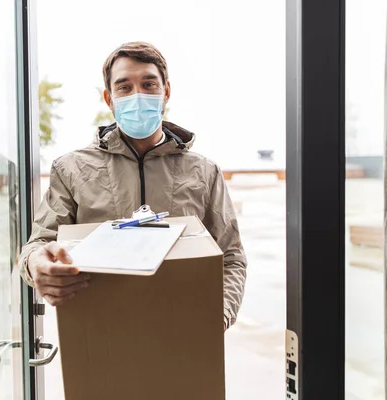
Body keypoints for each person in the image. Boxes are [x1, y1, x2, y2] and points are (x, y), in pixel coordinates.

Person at [18, 41, 247, 330]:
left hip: (185, 333)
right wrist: (37, 264)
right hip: (98, 334)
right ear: (109, 98)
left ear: (166, 92)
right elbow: (37, 245)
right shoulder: (70, 169)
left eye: (149, 84)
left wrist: (218, 317)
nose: (137, 96)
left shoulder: (205, 171)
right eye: (124, 87)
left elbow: (231, 257)